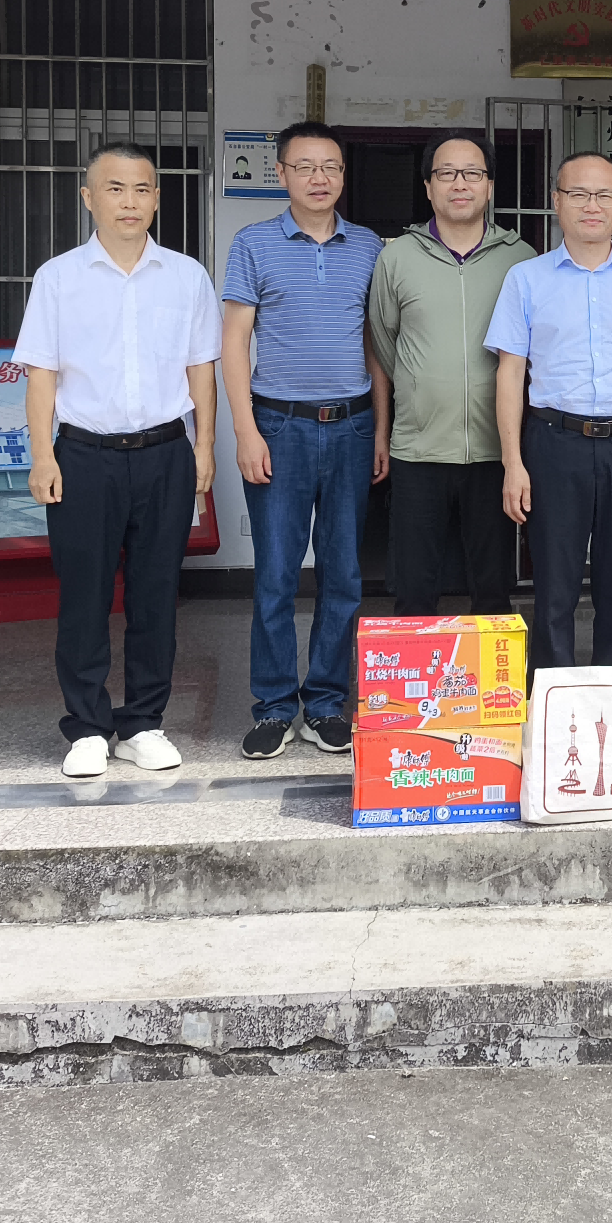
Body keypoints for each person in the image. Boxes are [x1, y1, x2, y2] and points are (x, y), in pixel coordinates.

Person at [14, 143, 220, 779]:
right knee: (85, 594)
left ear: (157, 199)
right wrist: (42, 455)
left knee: (156, 594)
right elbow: (41, 375)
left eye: (142, 189)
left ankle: (143, 723)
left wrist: (204, 447)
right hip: (83, 455)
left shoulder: (186, 276)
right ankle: (86, 726)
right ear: (89, 198)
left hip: (166, 454)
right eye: (115, 188)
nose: (129, 201)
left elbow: (202, 370)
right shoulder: (58, 278)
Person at [223, 121, 389, 760]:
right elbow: (234, 341)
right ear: (282, 173)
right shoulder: (254, 244)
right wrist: (245, 430)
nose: (319, 179)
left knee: (343, 574)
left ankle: (325, 703)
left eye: (331, 167)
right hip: (279, 427)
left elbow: (375, 344)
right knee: (276, 574)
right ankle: (272, 707)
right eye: (305, 167)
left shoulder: (368, 246)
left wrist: (380, 428)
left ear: (343, 175)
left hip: (350, 427)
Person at [486, 153, 612, 670]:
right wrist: (513, 463)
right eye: (578, 194)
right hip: (554, 443)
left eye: (604, 195)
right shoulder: (526, 279)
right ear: (557, 201)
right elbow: (509, 373)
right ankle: (552, 700)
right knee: (553, 589)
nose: (591, 205)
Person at [368, 132, 535, 615]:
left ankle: (493, 670)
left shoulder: (521, 259)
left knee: (493, 588)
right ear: (428, 186)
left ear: (489, 185)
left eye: (472, 173)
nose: (459, 184)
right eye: (446, 173)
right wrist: (402, 409)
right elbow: (383, 343)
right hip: (418, 449)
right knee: (414, 589)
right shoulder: (397, 258)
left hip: (497, 452)